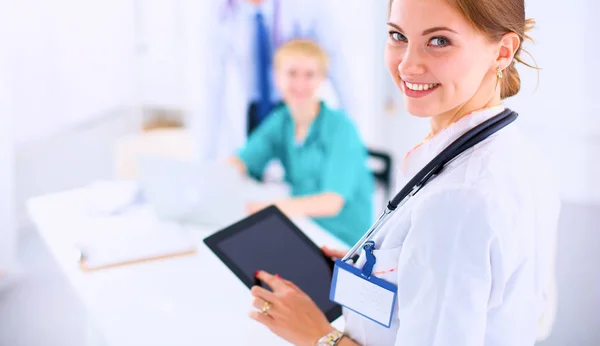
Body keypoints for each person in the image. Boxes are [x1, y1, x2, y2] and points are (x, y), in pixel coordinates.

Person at [246, 0, 561, 345]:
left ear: (502, 51)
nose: (407, 65)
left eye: (439, 41)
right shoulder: (516, 152)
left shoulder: (458, 199)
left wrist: (318, 336)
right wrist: (381, 268)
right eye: (398, 35)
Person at [228, 39, 374, 247]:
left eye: (309, 75)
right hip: (304, 225)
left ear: (322, 79)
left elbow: (332, 202)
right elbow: (244, 159)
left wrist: (267, 207)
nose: (299, 84)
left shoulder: (341, 128)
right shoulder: (281, 120)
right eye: (292, 73)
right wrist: (222, 173)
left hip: (342, 241)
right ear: (277, 77)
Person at [195, 0, 356, 160]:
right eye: (293, 73)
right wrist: (203, 161)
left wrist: (353, 139)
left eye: (308, 75)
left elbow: (339, 68)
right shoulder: (221, 11)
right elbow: (211, 86)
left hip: (293, 110)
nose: (300, 80)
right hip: (252, 114)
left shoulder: (308, 7)